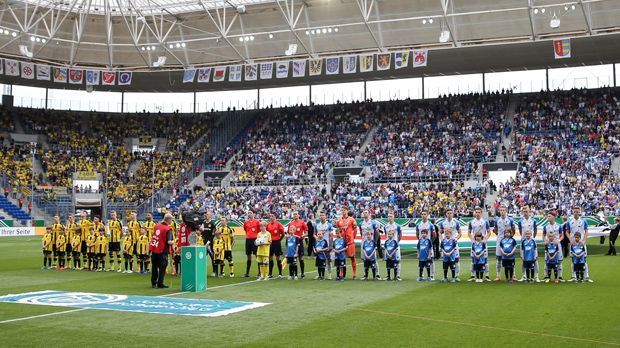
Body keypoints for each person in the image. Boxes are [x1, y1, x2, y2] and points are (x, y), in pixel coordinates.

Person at [564, 206, 593, 282]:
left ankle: (586, 276)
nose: (576, 213)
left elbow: (586, 231)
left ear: (580, 212)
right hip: (573, 244)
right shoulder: (569, 222)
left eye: (577, 212)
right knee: (573, 260)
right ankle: (573, 276)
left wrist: (584, 241)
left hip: (581, 244)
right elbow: (567, 232)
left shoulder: (584, 221)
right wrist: (570, 240)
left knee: (584, 259)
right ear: (572, 212)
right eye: (574, 212)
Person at [149, 213, 174, 289]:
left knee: (154, 267)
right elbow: (169, 242)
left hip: (154, 250)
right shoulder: (168, 229)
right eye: (171, 219)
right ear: (169, 219)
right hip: (162, 251)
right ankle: (160, 283)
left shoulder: (156, 226)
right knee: (162, 268)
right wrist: (174, 241)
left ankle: (153, 283)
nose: (171, 221)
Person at [467, 207, 490, 281]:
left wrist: (486, 239)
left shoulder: (485, 221)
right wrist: (471, 239)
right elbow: (469, 232)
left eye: (479, 212)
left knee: (485, 259)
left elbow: (489, 232)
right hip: (475, 243)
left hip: (483, 243)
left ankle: (487, 276)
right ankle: (472, 275)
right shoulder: (471, 222)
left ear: (481, 213)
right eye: (476, 212)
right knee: (473, 259)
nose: (477, 214)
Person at [517, 206, 539, 282]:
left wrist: (533, 237)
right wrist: (524, 238)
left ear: (529, 212)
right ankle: (524, 276)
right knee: (523, 259)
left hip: (532, 241)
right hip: (523, 241)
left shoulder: (533, 220)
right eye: (524, 212)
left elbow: (535, 230)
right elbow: (520, 231)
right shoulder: (520, 221)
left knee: (535, 259)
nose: (525, 213)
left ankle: (536, 276)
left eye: (527, 211)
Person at [336, 206, 358, 279]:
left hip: (350, 242)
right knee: (342, 258)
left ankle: (354, 273)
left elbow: (355, 229)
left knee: (352, 257)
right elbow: (338, 230)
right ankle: (342, 273)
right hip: (342, 242)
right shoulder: (339, 221)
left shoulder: (352, 220)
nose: (343, 211)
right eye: (342, 210)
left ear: (347, 211)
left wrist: (352, 237)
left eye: (345, 210)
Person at [494, 206, 515, 281]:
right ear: (499, 211)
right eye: (501, 210)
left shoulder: (510, 219)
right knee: (499, 258)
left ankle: (513, 275)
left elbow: (513, 229)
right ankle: (498, 275)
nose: (502, 211)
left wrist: (510, 237)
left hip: (509, 241)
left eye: (503, 210)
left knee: (511, 258)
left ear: (506, 211)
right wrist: (499, 236)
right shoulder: (497, 220)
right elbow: (495, 229)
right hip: (500, 241)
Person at [543, 211, 565, 282]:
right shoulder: (546, 226)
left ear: (553, 217)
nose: (548, 217)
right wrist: (545, 241)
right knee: (547, 260)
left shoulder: (559, 226)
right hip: (549, 245)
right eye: (548, 216)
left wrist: (558, 241)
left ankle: (560, 276)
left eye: (549, 216)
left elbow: (562, 236)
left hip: (557, 245)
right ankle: (546, 276)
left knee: (559, 261)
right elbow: (543, 235)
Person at [440, 210, 461, 281]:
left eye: (450, 213)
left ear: (453, 214)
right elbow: (439, 232)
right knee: (445, 260)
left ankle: (457, 276)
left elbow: (460, 233)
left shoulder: (456, 222)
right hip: (446, 244)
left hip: (454, 244)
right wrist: (442, 239)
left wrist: (456, 238)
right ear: (446, 214)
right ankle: (445, 276)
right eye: (448, 213)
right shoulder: (443, 223)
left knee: (456, 260)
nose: (449, 214)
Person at [361, 210, 381, 279]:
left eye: (366, 212)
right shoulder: (361, 223)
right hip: (364, 243)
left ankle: (377, 274)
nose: (364, 213)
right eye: (364, 212)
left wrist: (375, 241)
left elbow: (377, 232)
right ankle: (365, 274)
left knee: (374, 259)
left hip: (371, 243)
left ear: (369, 214)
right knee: (364, 259)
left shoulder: (373, 222)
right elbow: (361, 233)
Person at [288, 211, 308, 278]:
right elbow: (288, 233)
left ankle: (302, 273)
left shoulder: (302, 222)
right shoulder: (290, 223)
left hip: (299, 241)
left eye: (296, 214)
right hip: (292, 243)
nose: (295, 215)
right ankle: (293, 274)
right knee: (292, 258)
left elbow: (306, 233)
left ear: (298, 215)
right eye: (294, 214)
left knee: (301, 258)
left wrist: (302, 236)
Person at [315, 211, 334, 279]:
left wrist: (331, 245)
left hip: (327, 246)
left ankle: (329, 274)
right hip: (319, 246)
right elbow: (315, 234)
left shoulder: (329, 225)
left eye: (323, 215)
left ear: (325, 216)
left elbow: (331, 236)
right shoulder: (317, 225)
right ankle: (319, 274)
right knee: (319, 260)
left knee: (329, 260)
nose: (321, 216)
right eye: (320, 215)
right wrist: (316, 239)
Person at [266, 213, 285, 279]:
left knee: (278, 258)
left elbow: (282, 234)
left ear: (275, 217)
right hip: (270, 243)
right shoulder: (268, 225)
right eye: (270, 216)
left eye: (272, 216)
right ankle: (270, 273)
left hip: (277, 242)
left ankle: (280, 273)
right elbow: (267, 234)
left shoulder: (279, 224)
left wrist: (279, 240)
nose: (271, 217)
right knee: (270, 258)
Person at [243, 211, 261, 278]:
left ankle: (259, 272)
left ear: (253, 214)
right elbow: (245, 229)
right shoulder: (246, 222)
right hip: (248, 240)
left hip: (255, 240)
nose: (249, 214)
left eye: (251, 213)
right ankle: (247, 273)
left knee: (257, 255)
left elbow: (259, 230)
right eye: (249, 213)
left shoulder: (257, 221)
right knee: (248, 255)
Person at [200, 211, 217, 276]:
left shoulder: (212, 224)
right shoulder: (203, 223)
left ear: (210, 216)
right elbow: (201, 232)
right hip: (203, 243)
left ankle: (214, 271)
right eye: (206, 214)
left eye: (207, 214)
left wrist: (208, 242)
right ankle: (201, 271)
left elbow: (213, 235)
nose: (206, 215)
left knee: (212, 257)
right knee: (201, 257)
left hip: (209, 244)